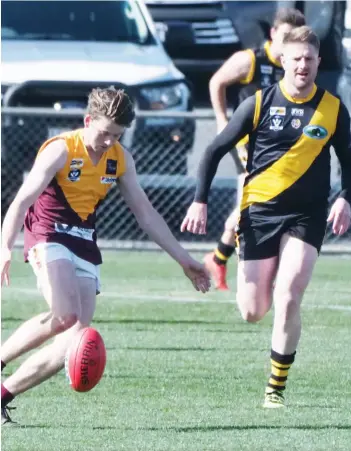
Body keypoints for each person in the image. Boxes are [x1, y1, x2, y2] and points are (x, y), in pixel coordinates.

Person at [0, 86, 210, 424]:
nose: (109, 141)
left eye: (117, 135)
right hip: (48, 233)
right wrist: (4, 247)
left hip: (84, 241)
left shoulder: (120, 158)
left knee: (75, 336)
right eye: (104, 133)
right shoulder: (60, 150)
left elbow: (146, 214)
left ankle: (3, 394)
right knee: (65, 315)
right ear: (88, 121)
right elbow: (22, 200)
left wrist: (184, 260)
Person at [181, 26, 351, 408]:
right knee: (252, 310)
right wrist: (200, 201)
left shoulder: (332, 108)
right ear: (283, 60)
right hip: (259, 213)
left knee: (289, 293)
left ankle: (275, 389)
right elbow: (213, 150)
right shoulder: (259, 104)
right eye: (296, 59)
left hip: (306, 216)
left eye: (310, 60)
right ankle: (250, 280)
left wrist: (344, 198)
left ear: (318, 63)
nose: (303, 66)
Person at [205, 7, 306, 290]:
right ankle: (250, 274)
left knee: (247, 206)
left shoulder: (295, 65)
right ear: (273, 34)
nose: (291, 41)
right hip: (248, 145)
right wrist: (222, 120)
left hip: (278, 149)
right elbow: (217, 82)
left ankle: (218, 257)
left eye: (296, 37)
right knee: (252, 204)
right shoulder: (250, 60)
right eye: (286, 35)